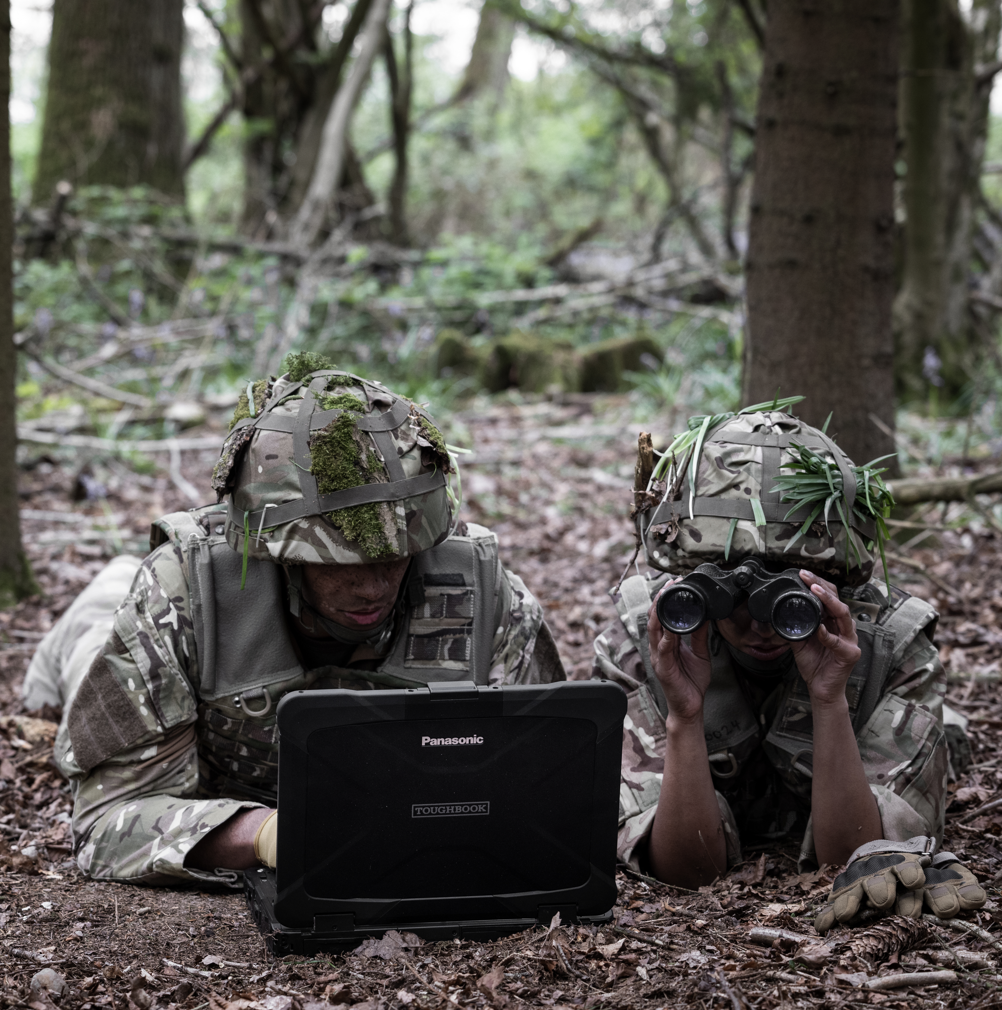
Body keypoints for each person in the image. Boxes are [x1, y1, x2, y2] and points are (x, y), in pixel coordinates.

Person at [22, 360, 565, 886]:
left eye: (394, 557)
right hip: (137, 628)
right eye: (340, 563)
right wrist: (264, 835)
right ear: (279, 554)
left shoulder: (486, 594)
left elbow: (552, 792)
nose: (372, 587)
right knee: (93, 631)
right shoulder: (183, 596)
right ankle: (102, 593)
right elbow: (106, 821)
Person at [592, 405, 952, 889]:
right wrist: (684, 715)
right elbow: (686, 871)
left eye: (786, 601)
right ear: (687, 578)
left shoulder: (892, 647)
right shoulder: (648, 640)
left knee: (948, 741)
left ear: (832, 584)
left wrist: (829, 699)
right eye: (730, 594)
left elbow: (856, 861)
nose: (759, 625)